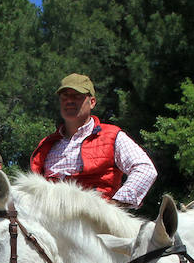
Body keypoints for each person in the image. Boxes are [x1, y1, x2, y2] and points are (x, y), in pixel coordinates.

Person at [30, 74, 156, 208]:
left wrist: (115, 205)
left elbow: (145, 168)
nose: (69, 101)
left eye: (77, 96)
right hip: (49, 215)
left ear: (92, 102)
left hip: (93, 218)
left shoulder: (112, 136)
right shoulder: (47, 144)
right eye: (64, 97)